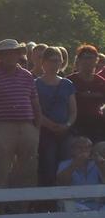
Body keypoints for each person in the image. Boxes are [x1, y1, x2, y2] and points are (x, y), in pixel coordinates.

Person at [0, 39, 41, 190]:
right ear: (0, 56)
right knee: (1, 170)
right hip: (3, 126)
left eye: (13, 53)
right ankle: (1, 208)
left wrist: (36, 129)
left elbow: (35, 103)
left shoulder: (27, 75)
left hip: (27, 125)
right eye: (6, 54)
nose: (10, 57)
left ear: (18, 55)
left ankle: (23, 208)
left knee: (28, 170)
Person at [35, 47, 77, 186]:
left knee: (65, 165)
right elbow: (36, 110)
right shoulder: (36, 84)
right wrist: (50, 125)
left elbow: (73, 111)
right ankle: (48, 202)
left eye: (59, 60)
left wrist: (67, 125)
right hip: (45, 133)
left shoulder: (67, 84)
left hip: (65, 133)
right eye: (53, 61)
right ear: (44, 62)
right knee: (48, 165)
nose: (57, 64)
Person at [55, 137, 105, 211]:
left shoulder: (97, 163)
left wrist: (101, 165)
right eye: (80, 147)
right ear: (72, 150)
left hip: (96, 204)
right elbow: (62, 182)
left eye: (87, 147)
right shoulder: (64, 164)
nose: (84, 150)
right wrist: (75, 164)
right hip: (74, 203)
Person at [69, 45, 105, 142]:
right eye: (85, 58)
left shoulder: (101, 82)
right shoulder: (69, 81)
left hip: (97, 127)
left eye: (91, 58)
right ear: (79, 60)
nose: (88, 61)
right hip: (75, 127)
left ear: (96, 61)